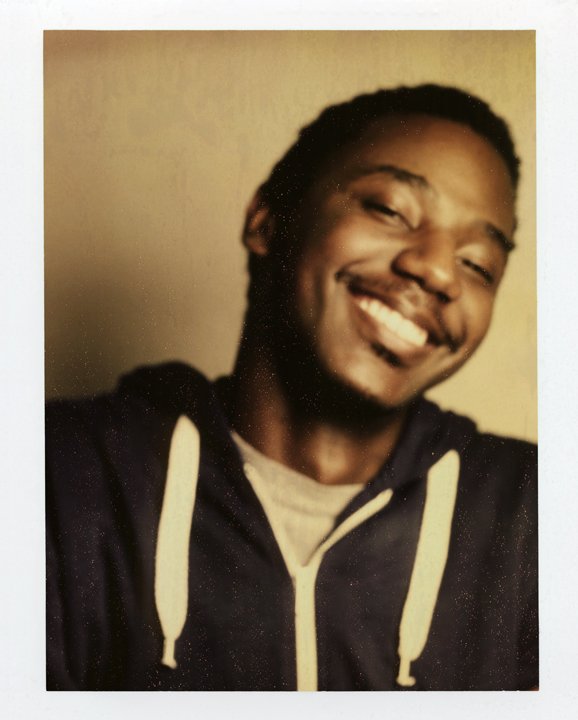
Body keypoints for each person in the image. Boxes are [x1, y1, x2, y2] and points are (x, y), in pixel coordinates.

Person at [46, 84, 537, 691]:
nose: (438, 270)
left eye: (479, 264)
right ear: (267, 220)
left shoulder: (537, 516)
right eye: (389, 209)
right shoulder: (58, 474)